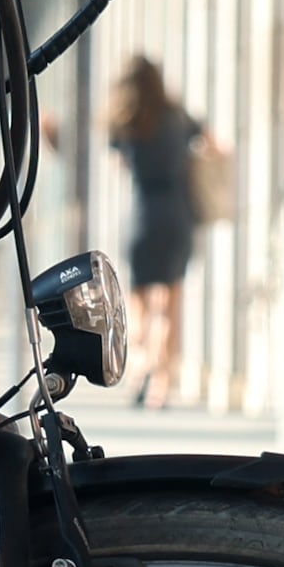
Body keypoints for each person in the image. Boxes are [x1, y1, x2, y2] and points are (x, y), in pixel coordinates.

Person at [104, 55, 207, 406]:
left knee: (140, 302)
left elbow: (118, 160)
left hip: (141, 215)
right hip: (176, 214)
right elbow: (210, 141)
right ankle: (161, 384)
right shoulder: (176, 116)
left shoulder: (125, 119)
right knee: (170, 302)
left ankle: (140, 366)